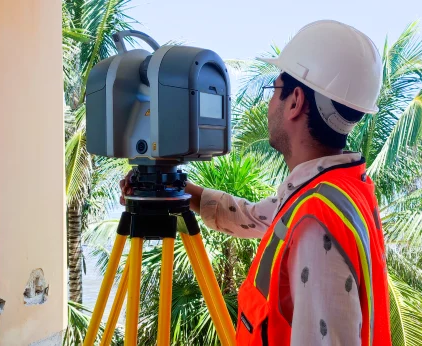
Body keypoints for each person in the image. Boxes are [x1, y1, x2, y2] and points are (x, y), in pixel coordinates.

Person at [121, 20, 391, 346]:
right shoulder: (337, 189)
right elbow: (252, 217)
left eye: (274, 91)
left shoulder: (315, 223)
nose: (270, 104)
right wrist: (180, 190)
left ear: (295, 101)